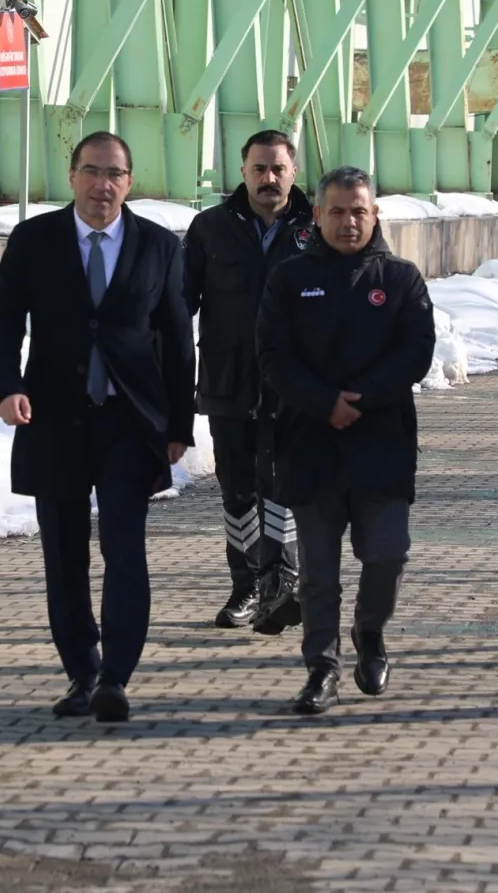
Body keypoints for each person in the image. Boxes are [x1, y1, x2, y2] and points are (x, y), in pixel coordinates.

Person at [0, 131, 195, 724]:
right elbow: (5, 319)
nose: (104, 185)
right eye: (93, 171)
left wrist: (179, 425)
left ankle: (116, 676)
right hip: (55, 420)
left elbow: (178, 340)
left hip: (129, 424)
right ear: (72, 175)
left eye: (115, 174)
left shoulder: (158, 245)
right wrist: (6, 387)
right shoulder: (35, 240)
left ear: (129, 182)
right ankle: (82, 670)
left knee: (124, 551)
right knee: (64, 556)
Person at [257, 166, 436, 715]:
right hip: (310, 443)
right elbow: (273, 355)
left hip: (382, 443)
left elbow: (416, 352)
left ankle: (370, 632)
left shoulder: (401, 278)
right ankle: (322, 668)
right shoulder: (290, 278)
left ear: (375, 214)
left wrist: (361, 399)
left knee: (387, 555)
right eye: (337, 211)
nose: (348, 221)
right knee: (318, 573)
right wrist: (323, 402)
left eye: (359, 211)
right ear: (317, 215)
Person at [183, 129, 317, 633]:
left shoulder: (316, 226)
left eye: (278, 168)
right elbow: (179, 304)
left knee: (281, 485)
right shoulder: (210, 228)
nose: (269, 178)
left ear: (294, 171)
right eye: (259, 168)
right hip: (228, 383)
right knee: (237, 492)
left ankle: (282, 582)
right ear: (242, 171)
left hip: (293, 385)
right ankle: (246, 586)